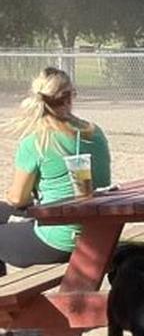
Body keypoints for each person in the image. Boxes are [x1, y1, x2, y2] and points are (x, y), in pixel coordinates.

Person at [0, 68, 111, 275]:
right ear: (69, 98)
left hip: (60, 240)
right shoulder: (95, 133)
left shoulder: (35, 142)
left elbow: (17, 198)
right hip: (98, 231)